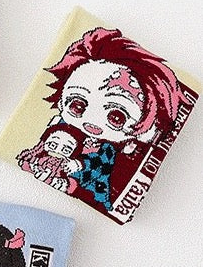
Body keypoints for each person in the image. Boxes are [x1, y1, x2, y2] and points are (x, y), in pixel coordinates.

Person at [41, 27, 188, 210]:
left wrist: (77, 167)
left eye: (116, 117)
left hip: (90, 192)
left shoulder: (107, 149)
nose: (92, 120)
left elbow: (97, 167)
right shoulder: (63, 127)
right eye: (77, 105)